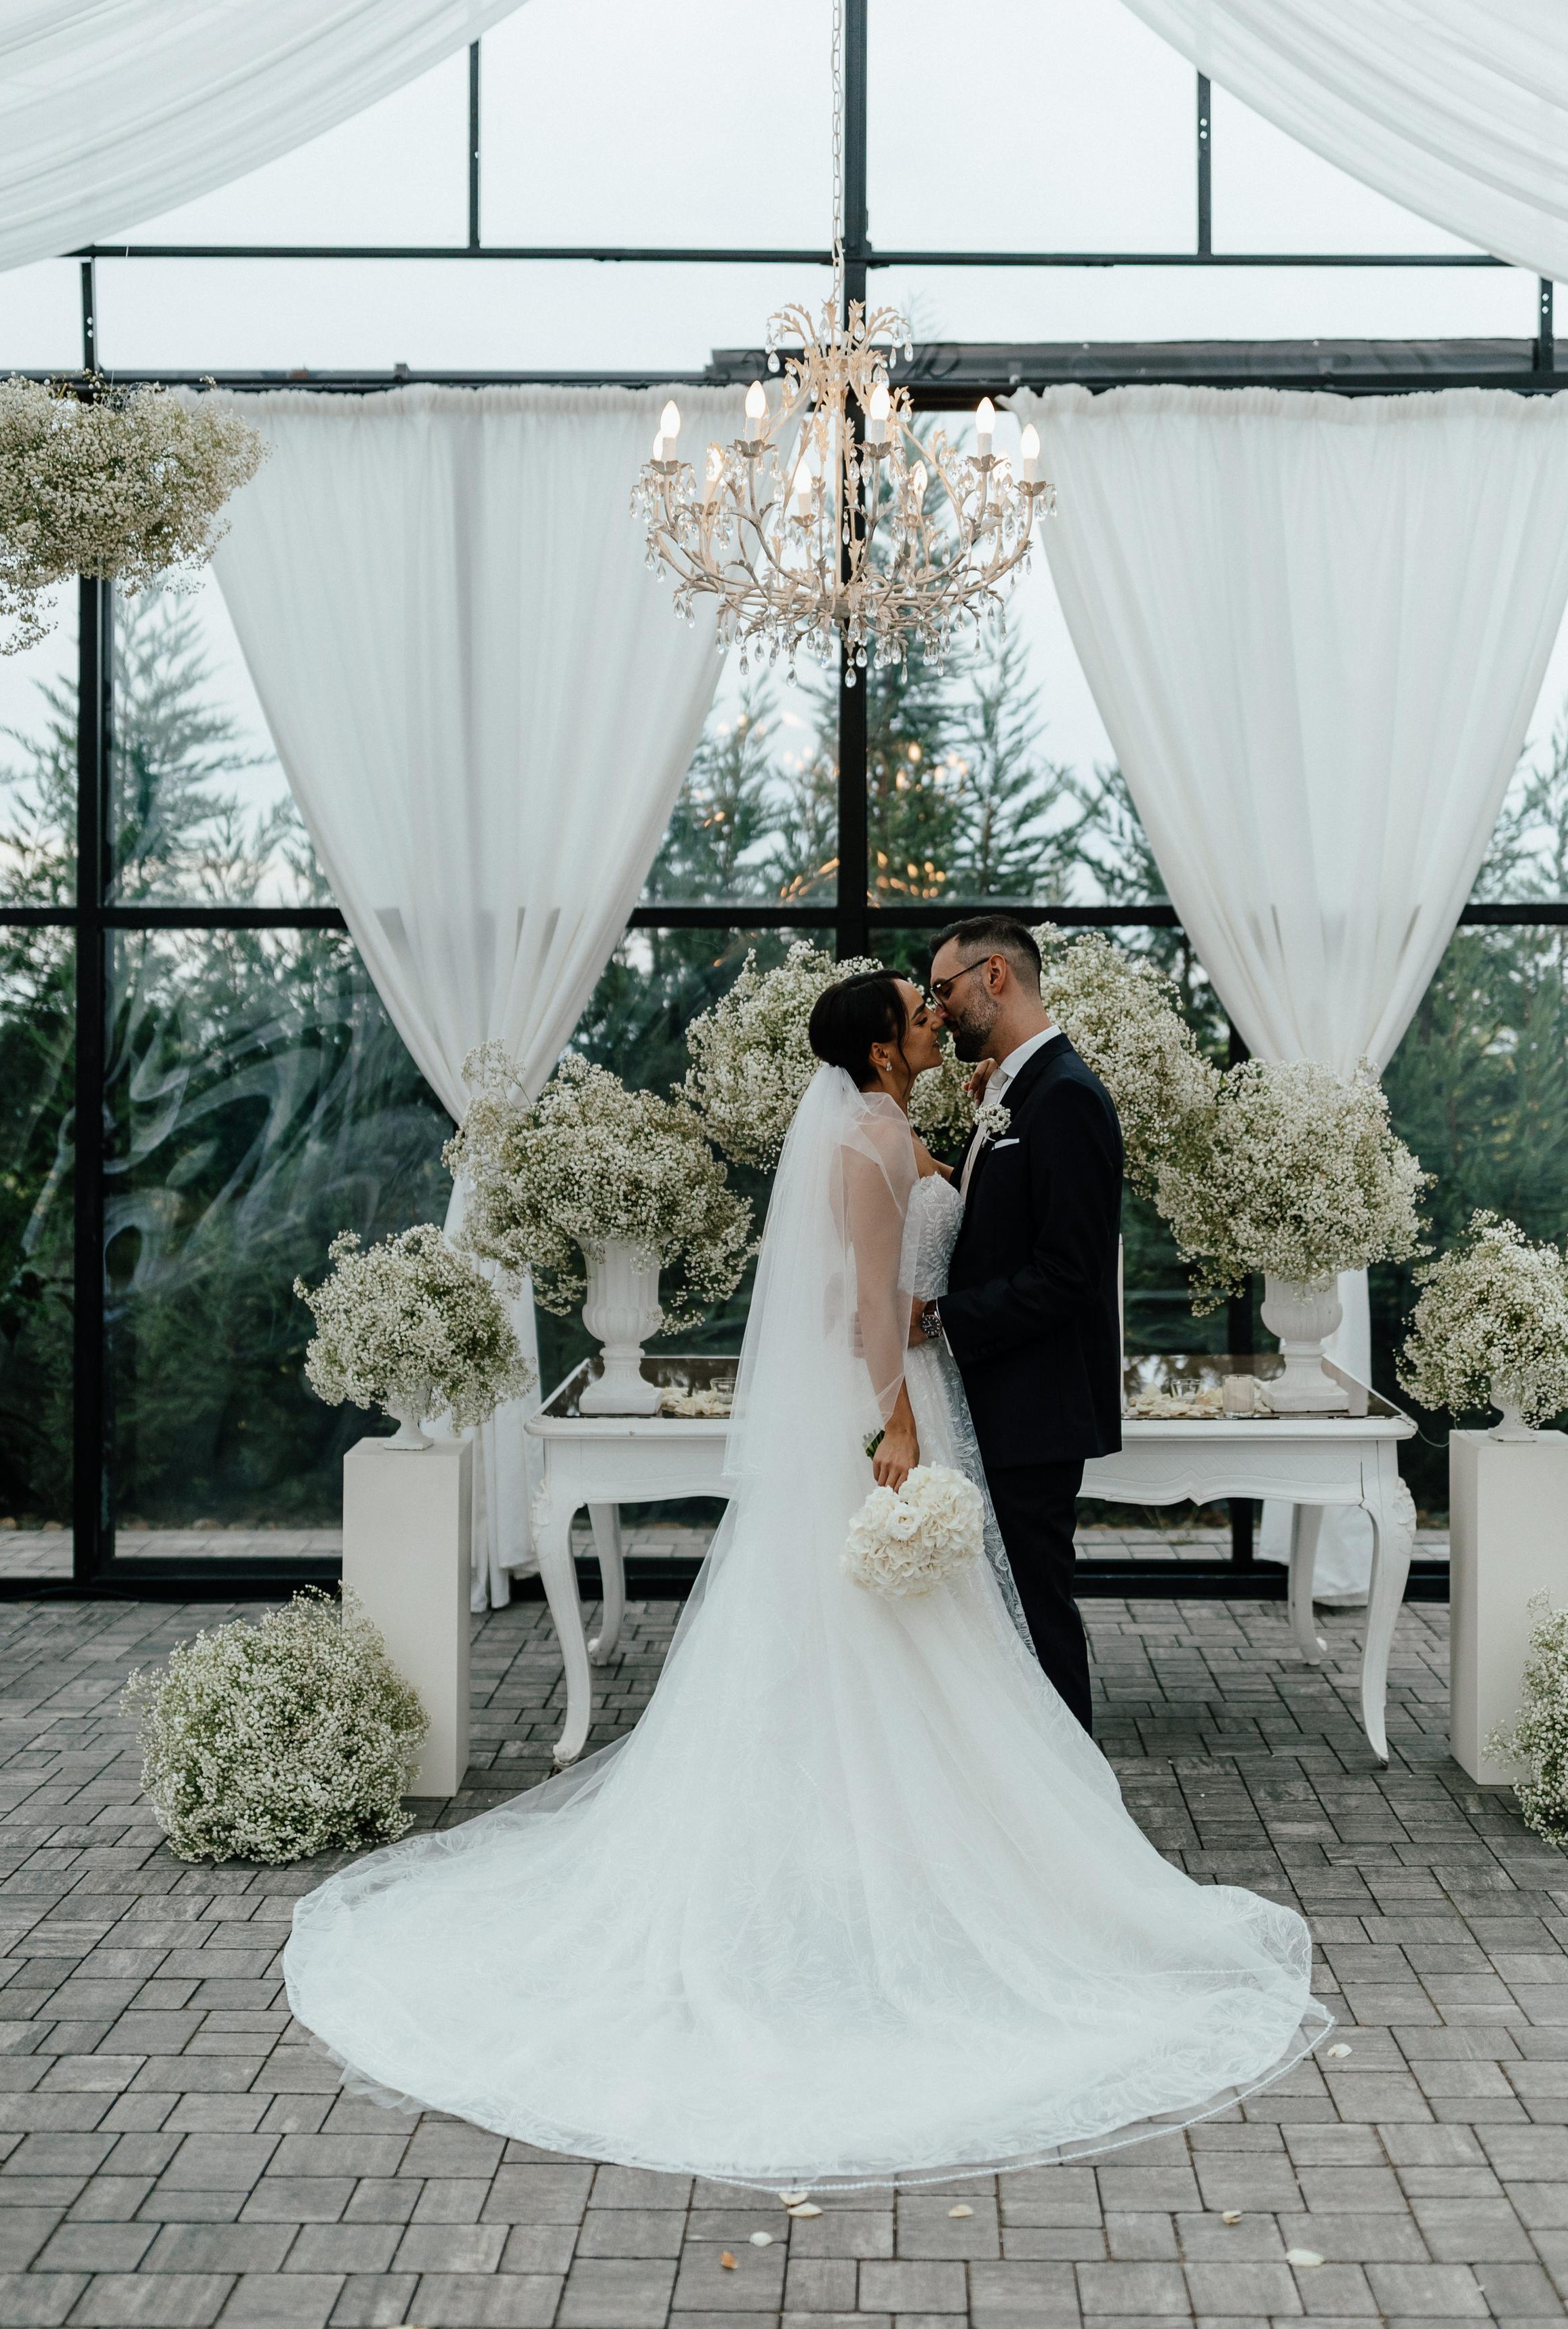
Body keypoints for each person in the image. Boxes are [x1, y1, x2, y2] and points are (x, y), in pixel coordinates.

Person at [283, 970, 1325, 2190]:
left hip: (928, 1391)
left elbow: (906, 1286)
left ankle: (935, 1849)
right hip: (892, 1410)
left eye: (939, 999)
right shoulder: (869, 1149)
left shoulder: (899, 1126)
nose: (936, 1015)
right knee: (878, 1632)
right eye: (916, 1010)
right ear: (883, 1050)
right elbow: (872, 1309)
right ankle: (875, 1867)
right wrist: (894, 1425)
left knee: (936, 1635)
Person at [910, 917, 1123, 1733]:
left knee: (1037, 1610)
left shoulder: (1065, 1096)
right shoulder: (1013, 1091)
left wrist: (937, 1319)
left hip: (1034, 1405)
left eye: (944, 989)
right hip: (997, 1397)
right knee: (1004, 1611)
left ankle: (1076, 1806)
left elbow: (1067, 1275)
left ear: (993, 976)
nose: (939, 1009)